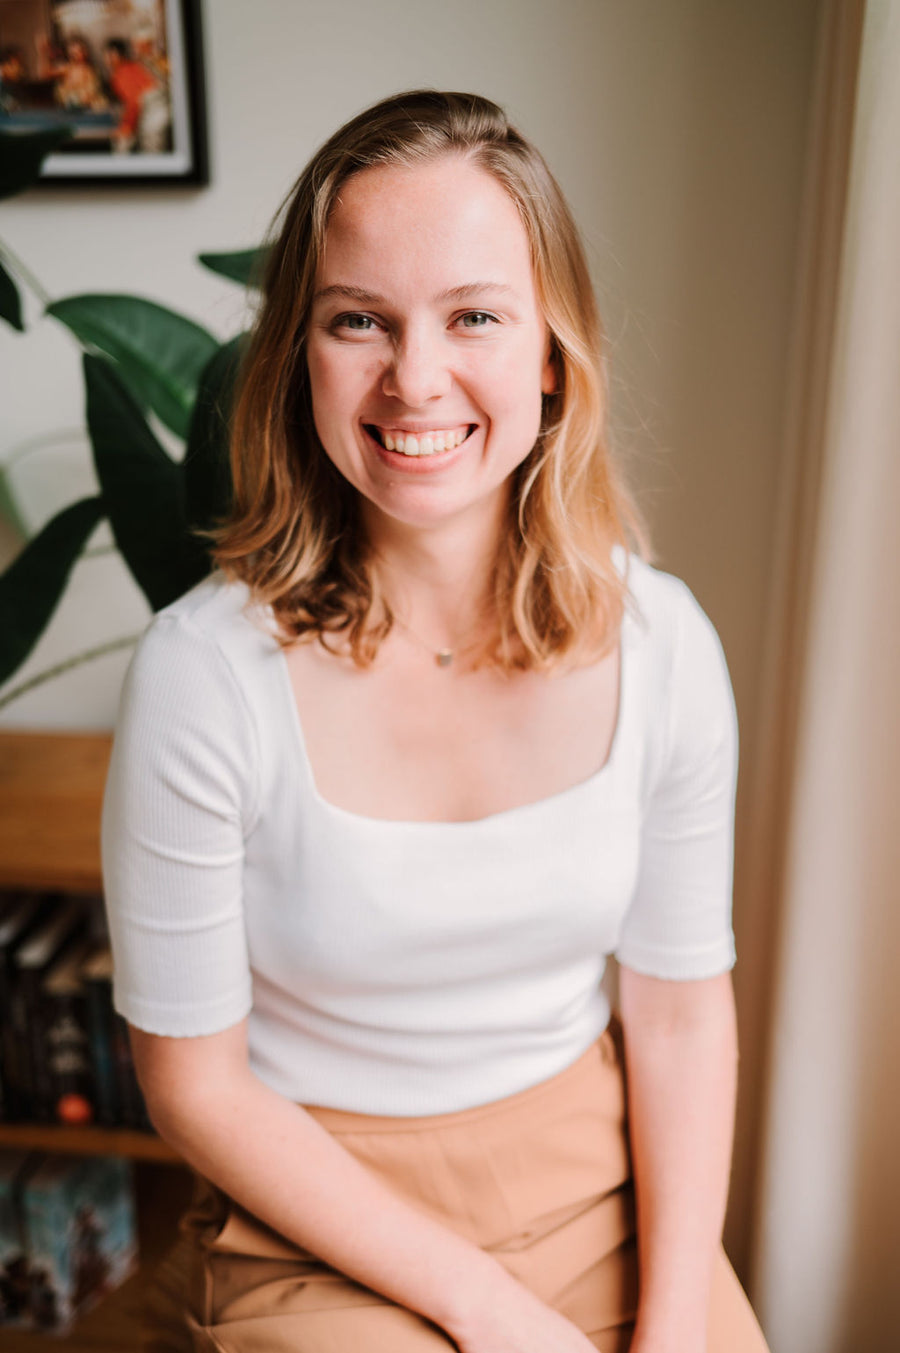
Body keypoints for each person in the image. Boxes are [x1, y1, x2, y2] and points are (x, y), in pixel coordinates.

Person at [102, 90, 770, 1353]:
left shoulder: (665, 644)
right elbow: (193, 1085)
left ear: (551, 355)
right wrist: (486, 1313)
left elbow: (679, 1014)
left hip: (596, 1189)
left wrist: (676, 1322)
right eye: (360, 321)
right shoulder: (201, 675)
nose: (416, 378)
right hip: (319, 1217)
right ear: (300, 354)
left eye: (474, 316)